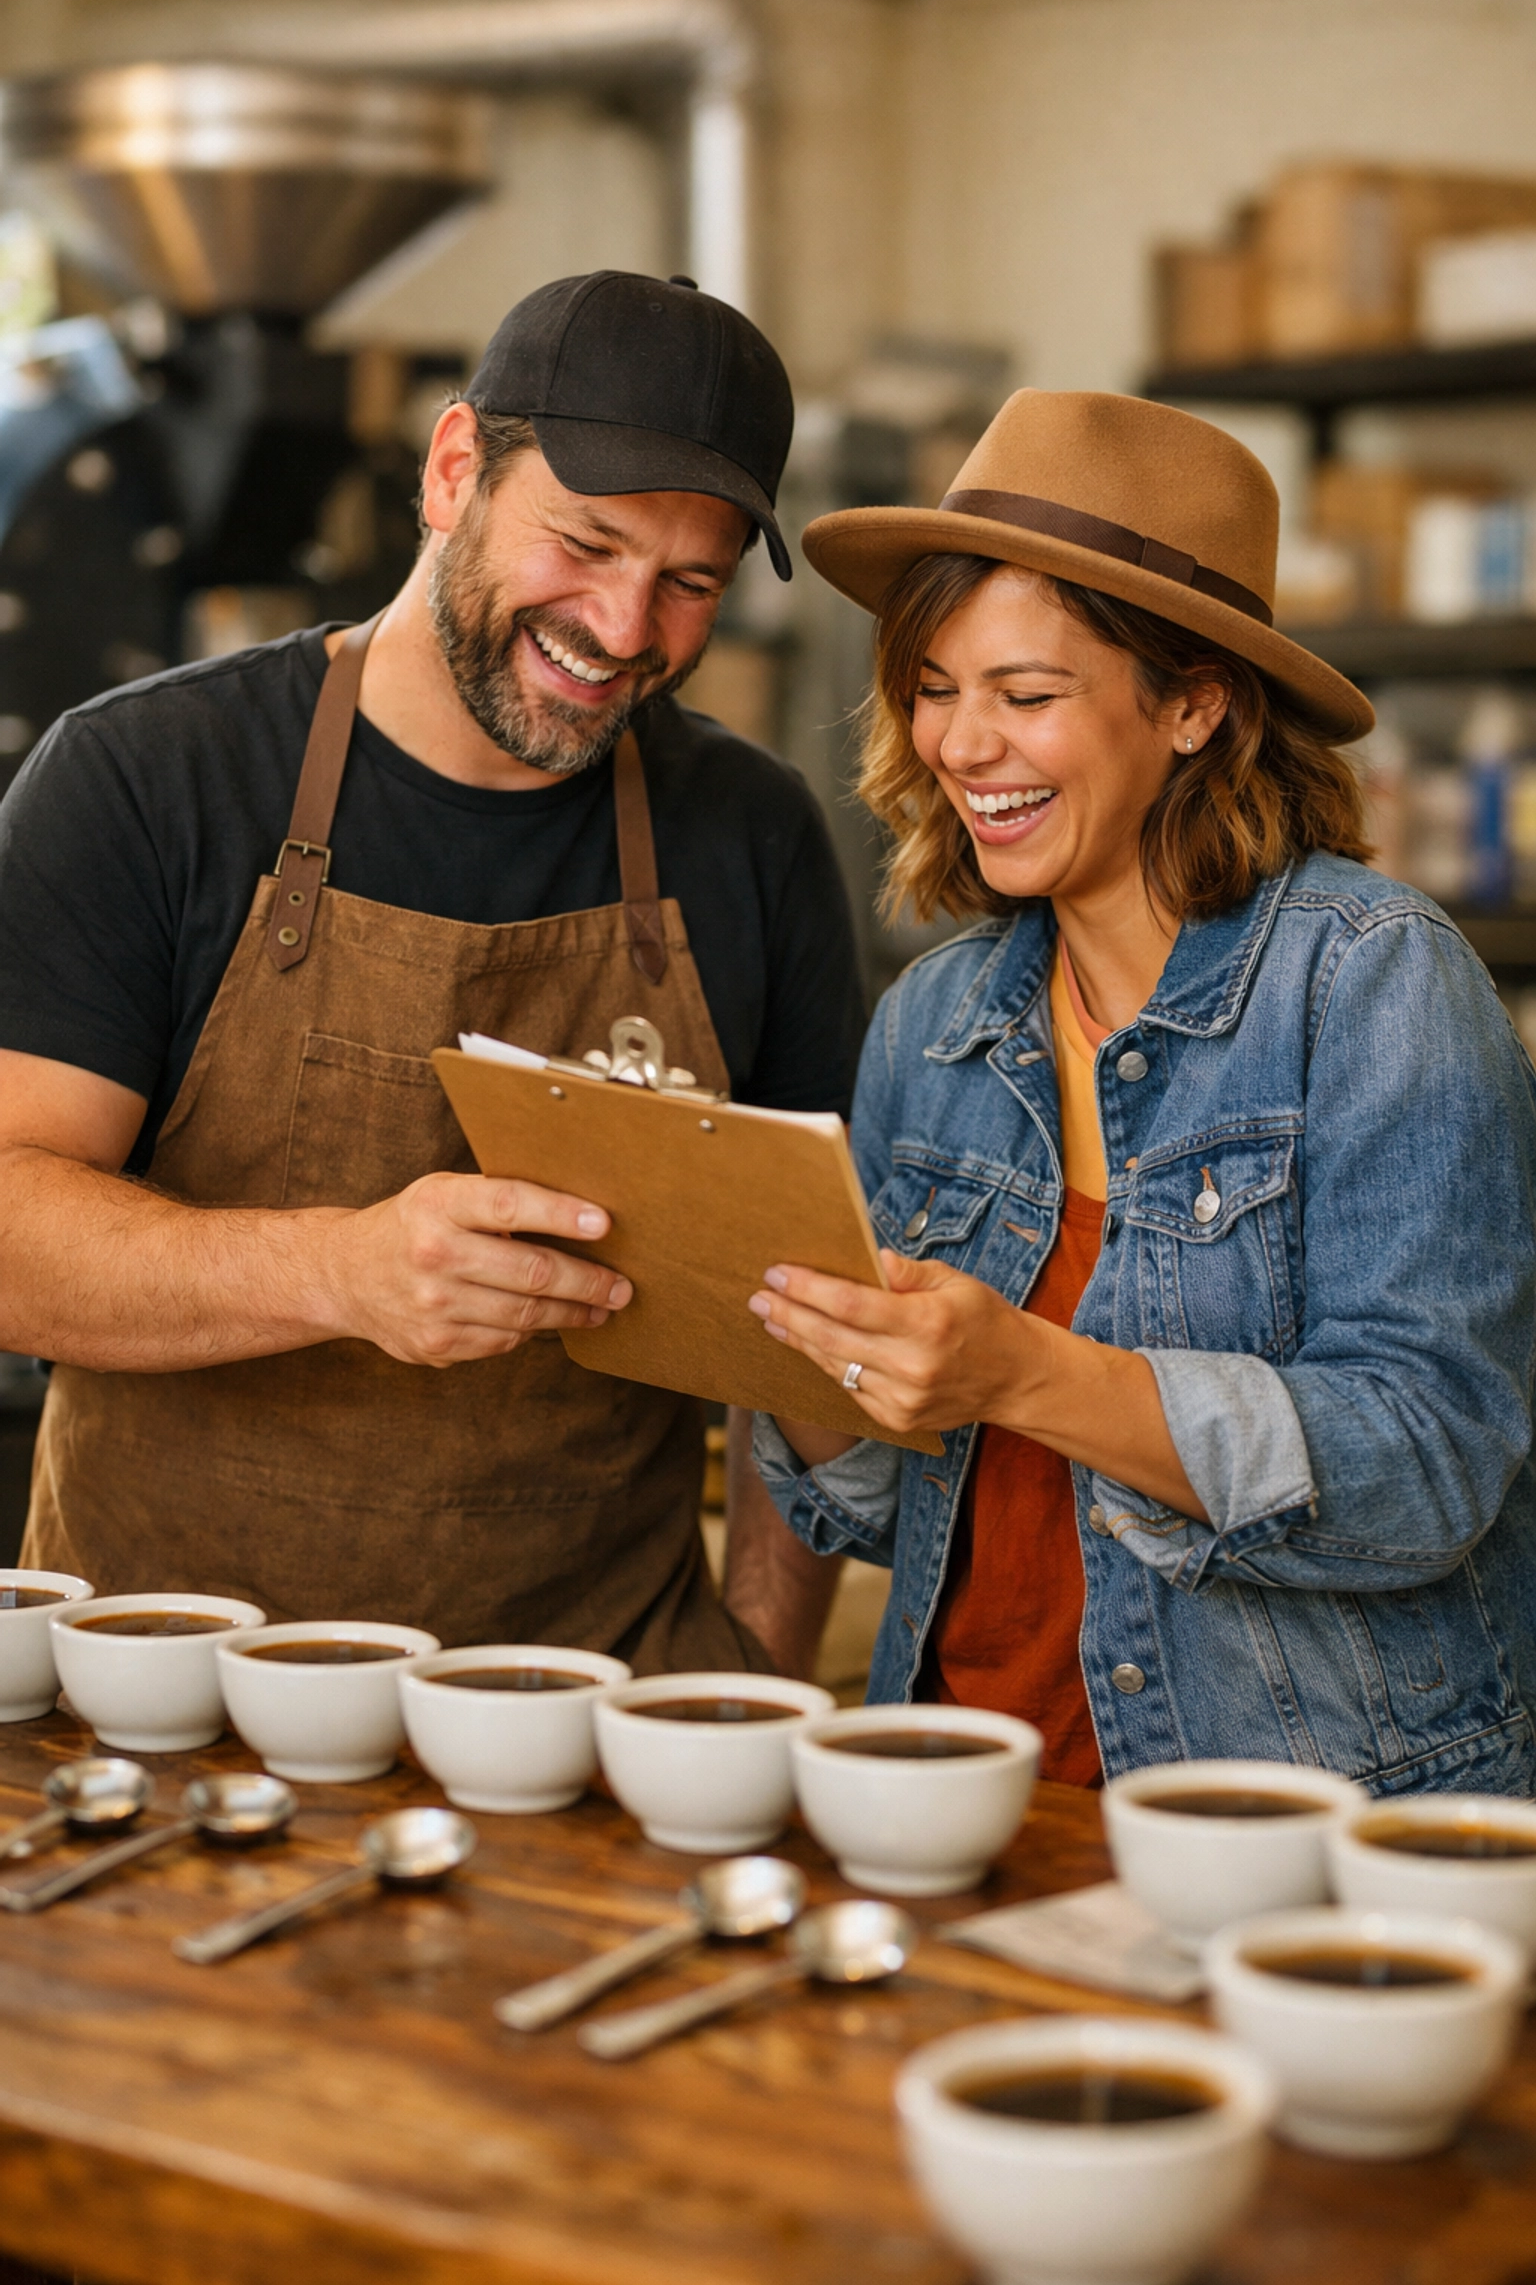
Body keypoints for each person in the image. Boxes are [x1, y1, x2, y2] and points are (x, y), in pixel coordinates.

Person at [0, 269, 861, 1672]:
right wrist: (341, 1272)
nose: (627, 630)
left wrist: (746, 1681)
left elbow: (793, 1328)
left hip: (594, 1712)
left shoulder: (750, 835)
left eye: (687, 583)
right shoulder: (148, 778)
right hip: (164, 1692)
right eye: (585, 544)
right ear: (455, 469)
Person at [750, 389, 1536, 1793]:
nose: (959, 744)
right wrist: (793, 1342)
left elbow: (1430, 1465)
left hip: (1278, 1828)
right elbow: (881, 1505)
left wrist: (1024, 1371)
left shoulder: (1372, 984)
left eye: (1025, 695)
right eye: (934, 687)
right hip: (954, 1795)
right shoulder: (935, 1019)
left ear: (1193, 703)